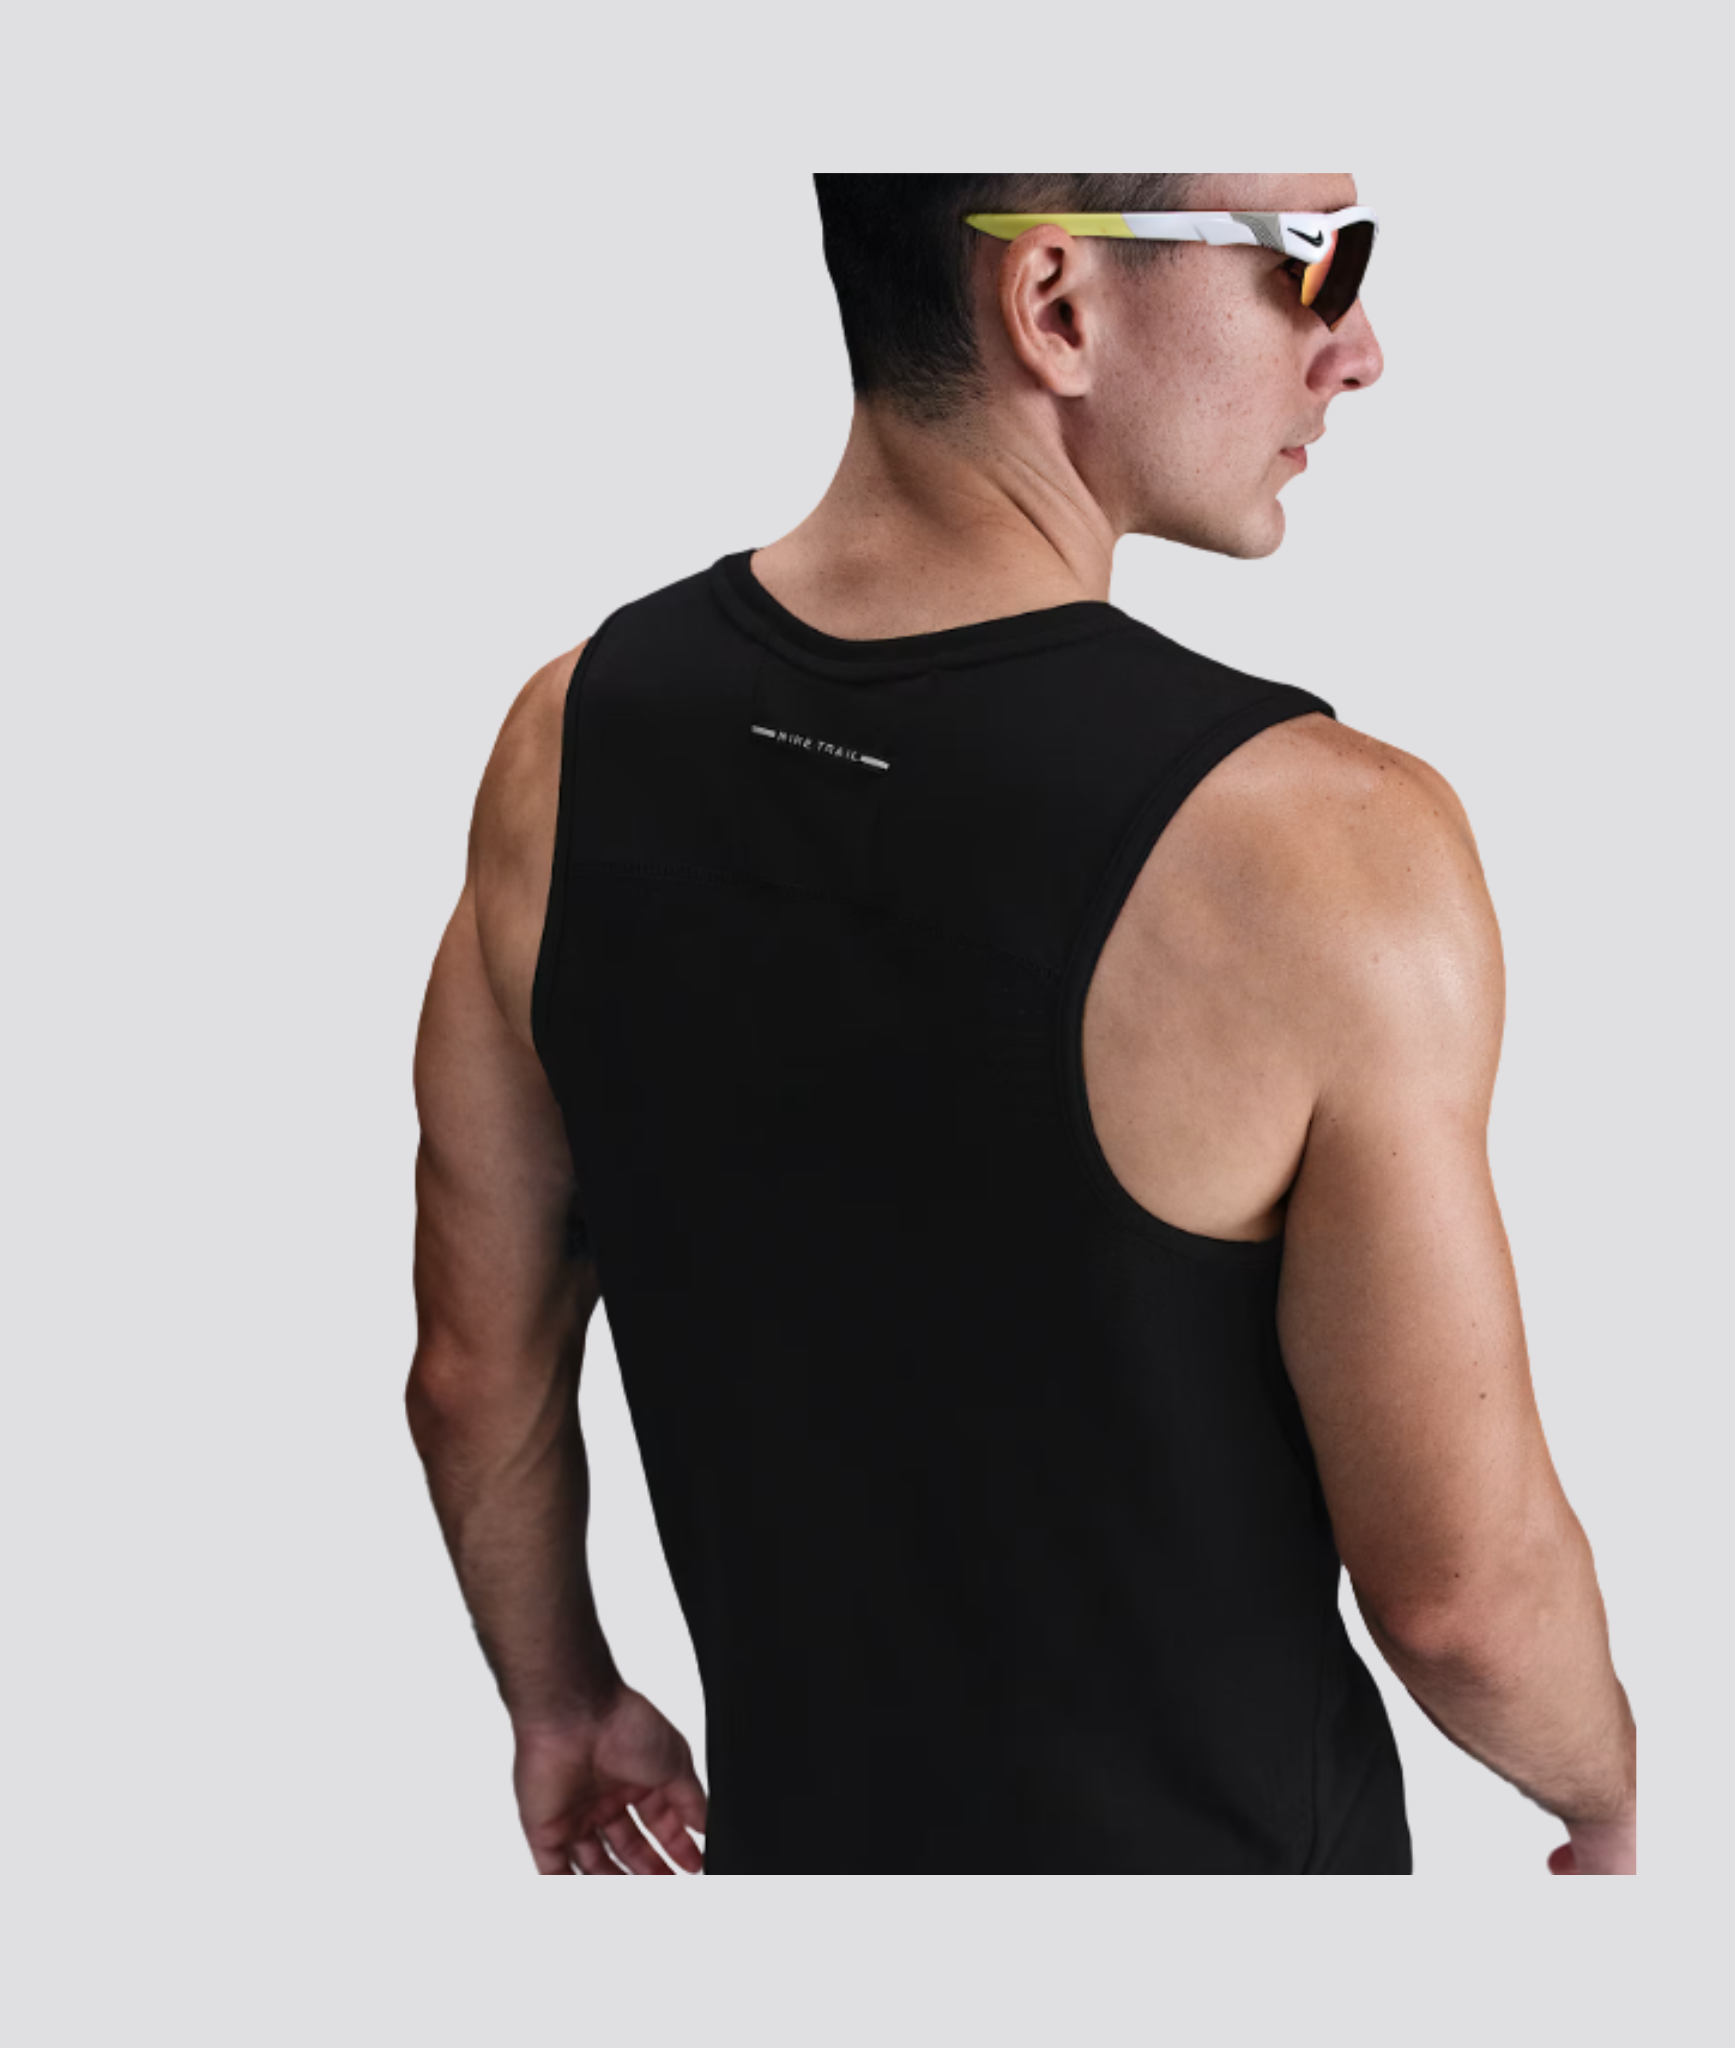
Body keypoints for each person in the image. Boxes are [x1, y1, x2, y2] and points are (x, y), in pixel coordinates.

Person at [406, 171, 1637, 1875]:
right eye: (1314, 259)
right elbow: (1463, 1599)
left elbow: (476, 1370)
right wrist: (1613, 1796)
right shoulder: (1323, 850)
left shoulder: (568, 739)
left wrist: (562, 1702)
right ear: (1057, 303)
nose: (1358, 346)